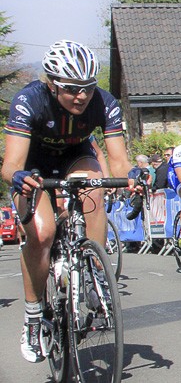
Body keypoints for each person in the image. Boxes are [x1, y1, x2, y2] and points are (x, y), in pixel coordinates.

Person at [2, 40, 139, 363]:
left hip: (75, 158)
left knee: (94, 188)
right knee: (43, 234)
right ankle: (34, 315)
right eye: (71, 89)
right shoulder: (29, 101)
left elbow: (118, 160)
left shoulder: (104, 103)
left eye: (88, 88)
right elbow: (11, 164)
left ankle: (93, 273)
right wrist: (19, 178)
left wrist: (132, 175)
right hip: (34, 166)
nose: (81, 96)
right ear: (51, 84)